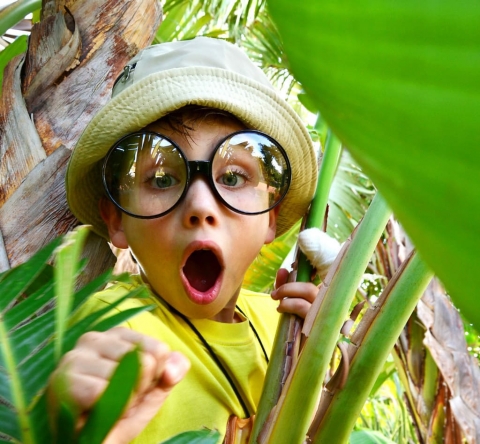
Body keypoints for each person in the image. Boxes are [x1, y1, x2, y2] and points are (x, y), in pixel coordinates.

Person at [53, 37, 320, 443]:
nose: (200, 205)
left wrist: (321, 360)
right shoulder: (109, 332)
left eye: (232, 177)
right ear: (117, 221)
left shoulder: (285, 322)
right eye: (161, 179)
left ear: (271, 214)